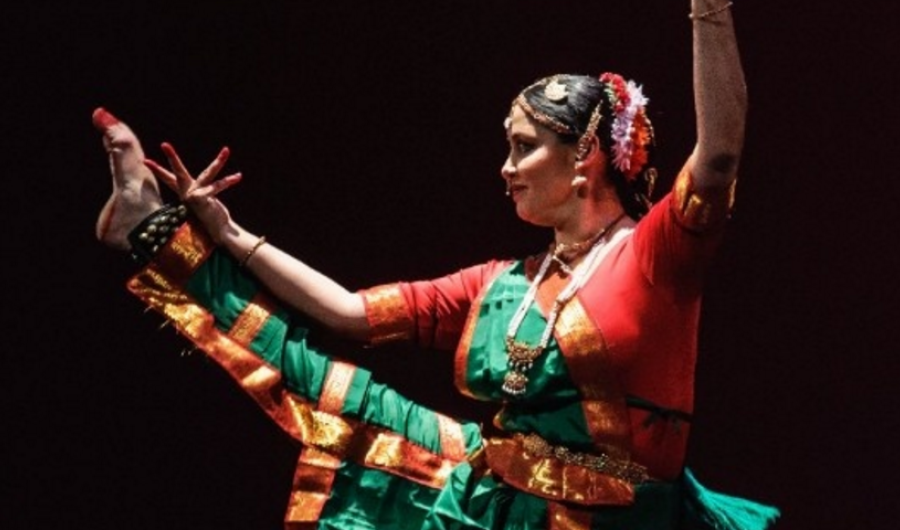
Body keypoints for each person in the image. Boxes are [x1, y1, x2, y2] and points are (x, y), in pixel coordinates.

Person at [94, 1, 779, 528]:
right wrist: (229, 234)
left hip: (612, 521)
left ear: (584, 158)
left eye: (523, 147)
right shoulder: (503, 284)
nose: (505, 169)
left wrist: (707, 7)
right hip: (490, 501)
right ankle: (151, 233)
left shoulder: (655, 257)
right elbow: (350, 313)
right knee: (335, 398)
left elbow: (717, 156)